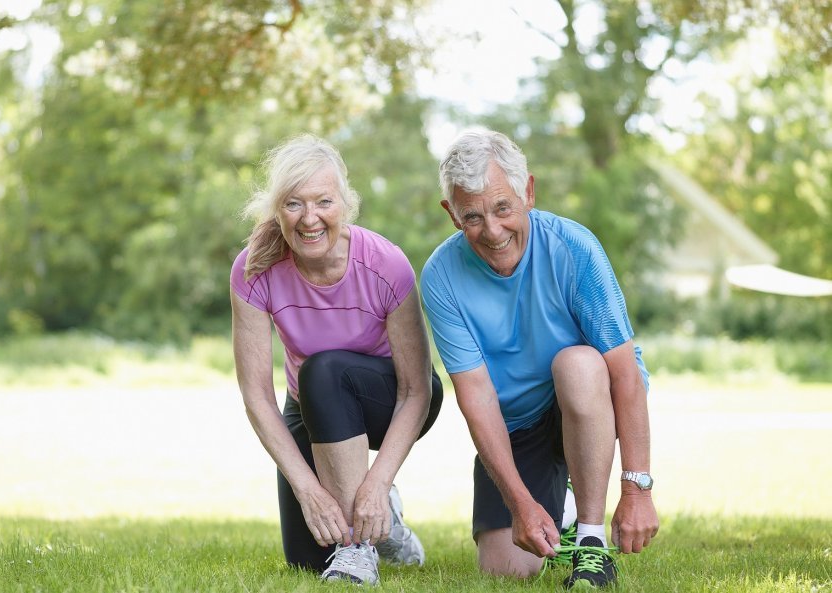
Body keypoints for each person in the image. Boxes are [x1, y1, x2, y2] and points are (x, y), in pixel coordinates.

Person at [420, 128, 658, 588]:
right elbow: (477, 398)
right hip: (518, 424)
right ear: (451, 214)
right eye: (472, 216)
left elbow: (625, 376)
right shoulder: (440, 276)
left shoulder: (575, 247)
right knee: (506, 567)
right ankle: (560, 508)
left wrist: (636, 489)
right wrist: (519, 503)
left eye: (503, 207)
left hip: (590, 399)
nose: (491, 231)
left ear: (527, 191)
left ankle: (589, 544)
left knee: (578, 364)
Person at [230, 134, 443, 585]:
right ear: (276, 209)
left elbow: (415, 388)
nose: (310, 218)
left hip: (394, 402)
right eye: (293, 204)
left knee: (324, 368)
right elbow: (257, 396)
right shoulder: (254, 269)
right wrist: (307, 490)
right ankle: (385, 528)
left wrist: (376, 484)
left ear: (345, 203)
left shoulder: (386, 264)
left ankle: (359, 542)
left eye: (323, 201)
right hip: (309, 407)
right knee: (308, 558)